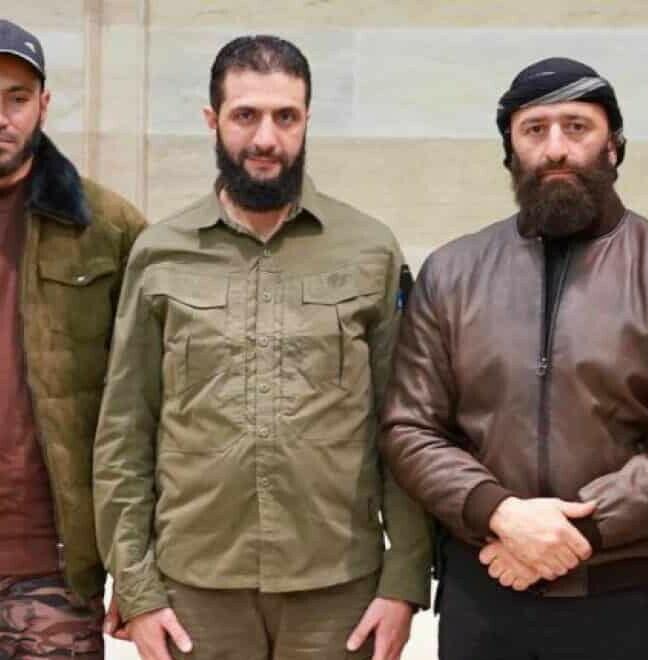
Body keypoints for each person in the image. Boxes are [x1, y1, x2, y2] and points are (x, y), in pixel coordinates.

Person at [380, 56, 648, 660]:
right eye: (534, 130)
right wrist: (500, 514)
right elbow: (409, 427)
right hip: (484, 595)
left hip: (625, 603)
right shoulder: (452, 273)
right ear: (509, 151)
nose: (556, 149)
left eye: (577, 127)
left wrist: (573, 531)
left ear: (614, 145)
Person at [92, 35, 430, 660]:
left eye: (286, 116)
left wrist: (404, 581)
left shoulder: (370, 249)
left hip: (338, 589)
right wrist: (136, 587)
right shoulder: (161, 253)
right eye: (245, 115)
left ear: (307, 120)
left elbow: (404, 425)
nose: (266, 139)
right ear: (212, 119)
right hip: (195, 589)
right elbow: (125, 430)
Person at [0, 17, 146, 659]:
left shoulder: (106, 227)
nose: (1, 117)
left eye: (17, 98)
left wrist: (137, 569)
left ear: (44, 104)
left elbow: (152, 405)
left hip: (53, 568)